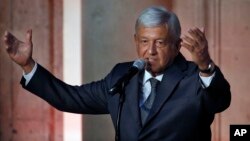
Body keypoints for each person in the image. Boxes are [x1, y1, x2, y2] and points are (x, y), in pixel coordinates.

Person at [3, 6, 231, 141]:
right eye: (143, 41)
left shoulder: (194, 77)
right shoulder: (123, 75)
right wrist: (28, 65)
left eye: (160, 42)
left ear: (177, 44)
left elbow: (220, 100)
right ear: (135, 41)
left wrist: (205, 65)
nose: (149, 51)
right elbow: (70, 98)